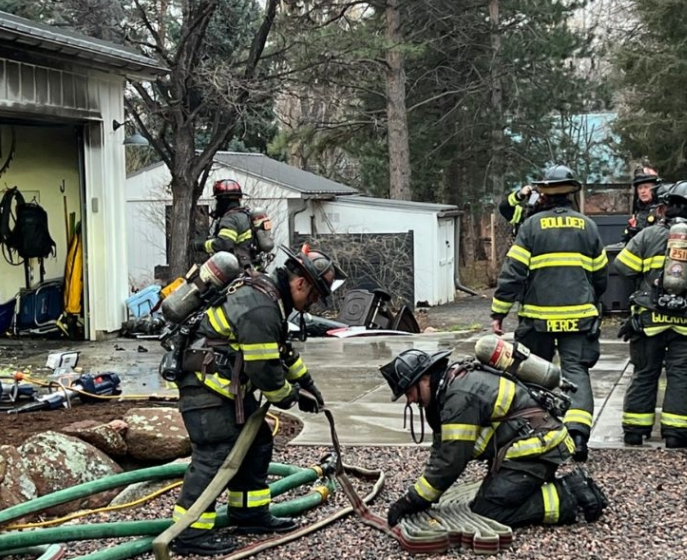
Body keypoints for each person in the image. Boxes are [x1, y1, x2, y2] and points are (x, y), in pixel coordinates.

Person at [169, 245, 345, 556]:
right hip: (205, 389)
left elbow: (283, 352)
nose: (312, 304)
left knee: (258, 440)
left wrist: (307, 384)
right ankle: (190, 533)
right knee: (216, 452)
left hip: (224, 390)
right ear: (300, 283)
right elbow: (265, 371)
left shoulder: (270, 299)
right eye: (315, 295)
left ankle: (249, 514)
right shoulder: (261, 307)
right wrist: (291, 397)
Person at [379, 348, 608, 529]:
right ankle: (550, 487)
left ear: (425, 378)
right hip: (525, 449)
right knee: (491, 497)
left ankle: (570, 493)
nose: (409, 400)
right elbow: (442, 451)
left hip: (537, 451)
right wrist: (418, 497)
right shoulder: (450, 386)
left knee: (489, 510)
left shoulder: (459, 398)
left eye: (408, 391)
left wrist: (412, 501)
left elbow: (450, 461)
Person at [490, 164, 607, 462]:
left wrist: (499, 313)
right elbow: (601, 275)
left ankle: (539, 434)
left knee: (535, 374)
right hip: (579, 318)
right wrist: (591, 302)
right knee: (576, 372)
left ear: (543, 193)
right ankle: (578, 438)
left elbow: (513, 273)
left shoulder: (530, 227)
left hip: (538, 319)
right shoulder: (588, 226)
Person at [612, 180, 687, 448]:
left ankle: (635, 431)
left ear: (667, 206)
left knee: (645, 373)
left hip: (648, 322)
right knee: (680, 375)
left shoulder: (647, 235)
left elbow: (622, 267)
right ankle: (675, 434)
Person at [192, 179, 260, 271]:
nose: (216, 204)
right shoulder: (245, 215)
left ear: (223, 201)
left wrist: (200, 245)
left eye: (217, 200)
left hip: (236, 268)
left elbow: (224, 244)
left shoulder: (230, 219)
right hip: (251, 266)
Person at [622, 166, 661, 243]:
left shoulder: (661, 210)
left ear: (655, 189)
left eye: (646, 187)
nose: (643, 191)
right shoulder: (637, 212)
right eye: (640, 188)